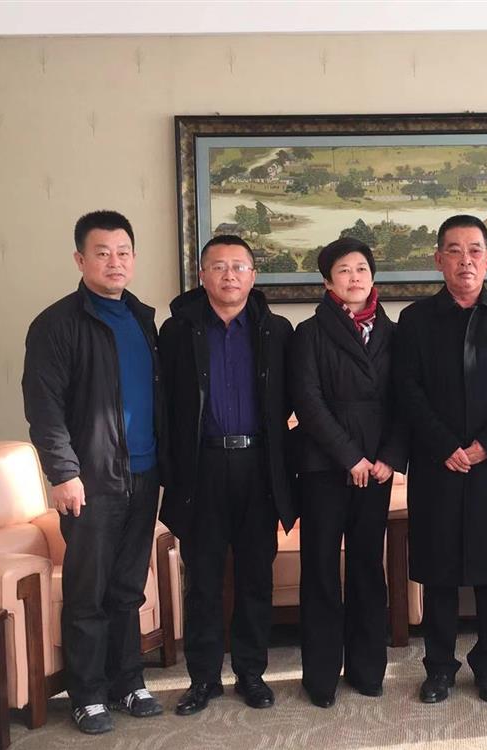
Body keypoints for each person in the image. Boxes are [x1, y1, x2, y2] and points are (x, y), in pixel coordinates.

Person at [22, 210, 167, 734]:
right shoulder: (57, 324)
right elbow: (44, 408)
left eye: (123, 252)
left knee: (128, 587)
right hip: (90, 481)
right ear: (80, 259)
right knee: (88, 591)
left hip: (144, 475)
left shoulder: (143, 319)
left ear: (133, 258)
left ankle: (128, 681)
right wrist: (63, 474)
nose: (114, 262)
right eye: (102, 253)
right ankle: (87, 693)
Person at [393, 215, 487, 704]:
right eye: (454, 251)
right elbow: (407, 389)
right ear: (439, 260)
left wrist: (486, 445)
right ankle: (438, 669)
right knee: (439, 573)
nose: (465, 260)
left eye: (475, 250)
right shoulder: (415, 320)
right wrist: (444, 446)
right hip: (437, 465)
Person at [159, 235, 294, 716]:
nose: (229, 275)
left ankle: (252, 674)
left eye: (239, 266)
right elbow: (164, 405)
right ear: (202, 275)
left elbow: (294, 398)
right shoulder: (177, 331)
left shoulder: (276, 330)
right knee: (203, 579)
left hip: (259, 466)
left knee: (257, 575)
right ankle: (203, 679)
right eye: (218, 266)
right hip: (203, 467)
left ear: (253, 276)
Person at [289, 237, 407, 708]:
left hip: (377, 469)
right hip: (324, 467)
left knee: (367, 567)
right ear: (327, 281)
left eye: (361, 268)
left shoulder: (394, 333)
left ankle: (367, 669)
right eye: (343, 270)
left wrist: (388, 458)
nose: (354, 277)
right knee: (320, 568)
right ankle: (320, 677)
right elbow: (308, 402)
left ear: (372, 276)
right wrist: (349, 457)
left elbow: (406, 400)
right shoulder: (309, 333)